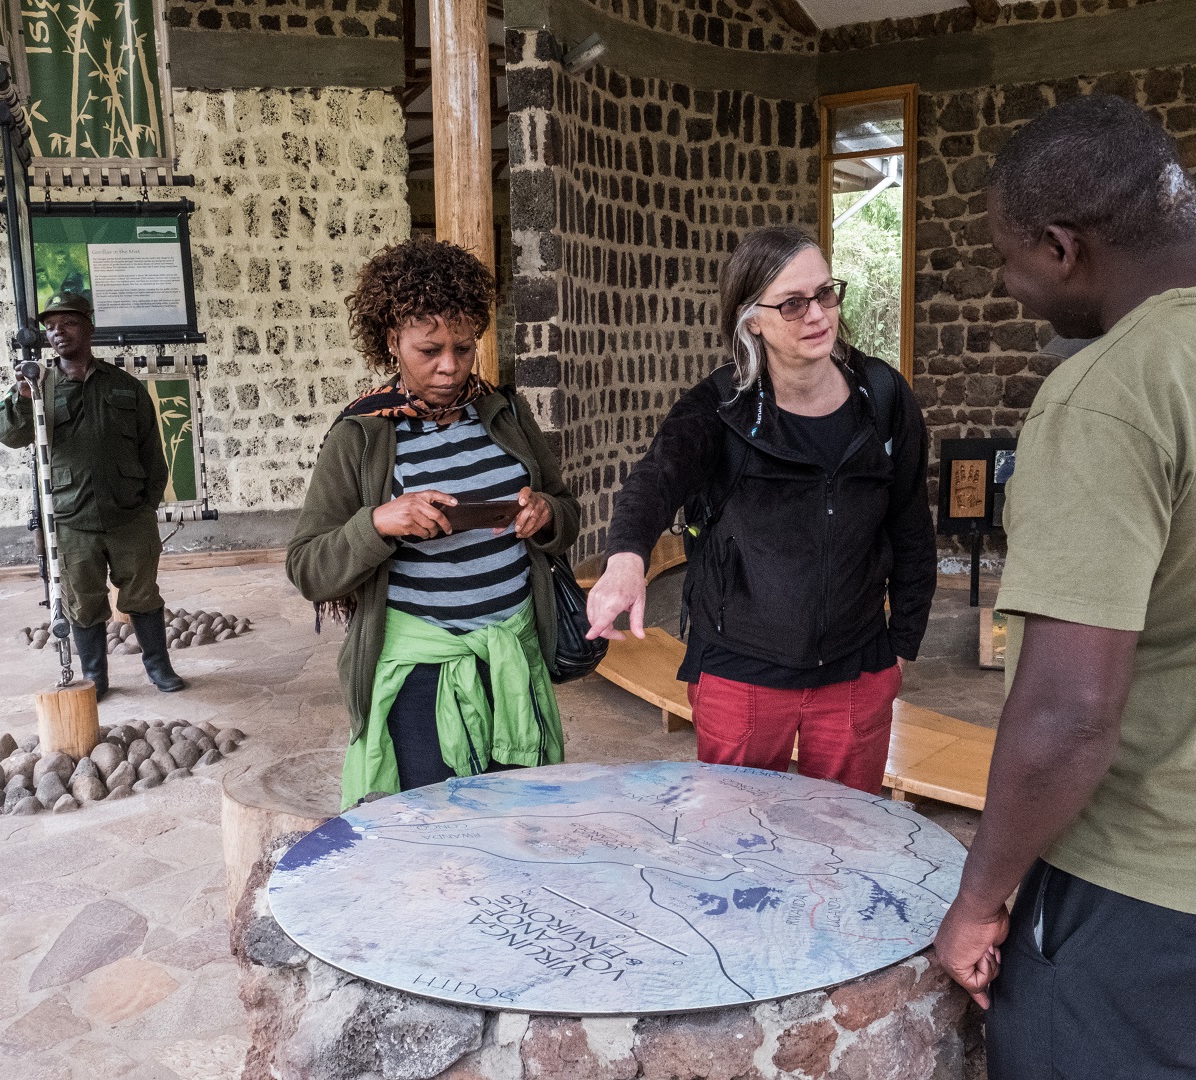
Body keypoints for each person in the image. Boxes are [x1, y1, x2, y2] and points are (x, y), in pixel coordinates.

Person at [932, 95, 1196, 1079]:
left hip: (1157, 894)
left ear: (1060, 247)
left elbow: (1071, 712)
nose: (1009, 286)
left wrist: (983, 895)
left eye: (1008, 259)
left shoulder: (1110, 392)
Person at [584, 225, 936, 793]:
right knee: (738, 849)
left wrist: (901, 650)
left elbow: (911, 526)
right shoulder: (719, 409)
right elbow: (656, 479)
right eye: (793, 304)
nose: (818, 315)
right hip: (740, 673)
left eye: (825, 293)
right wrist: (626, 560)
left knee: (844, 843)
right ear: (752, 319)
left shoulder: (883, 398)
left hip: (857, 668)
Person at [286, 239, 581, 809]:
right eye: (430, 350)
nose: (450, 366)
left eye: (464, 348)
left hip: (512, 662)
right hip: (421, 680)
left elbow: (566, 512)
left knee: (519, 818)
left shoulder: (507, 416)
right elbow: (308, 568)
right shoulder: (362, 436)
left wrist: (545, 515)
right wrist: (378, 523)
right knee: (434, 832)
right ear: (392, 341)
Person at [0, 291, 186, 696]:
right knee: (84, 602)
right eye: (50, 328)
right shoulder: (38, 386)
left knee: (143, 595)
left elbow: (153, 449)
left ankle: (159, 668)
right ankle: (95, 677)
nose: (57, 333)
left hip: (129, 514)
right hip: (71, 517)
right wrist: (22, 397)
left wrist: (147, 504)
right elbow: (9, 434)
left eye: (68, 323)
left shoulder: (125, 387)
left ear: (90, 327)